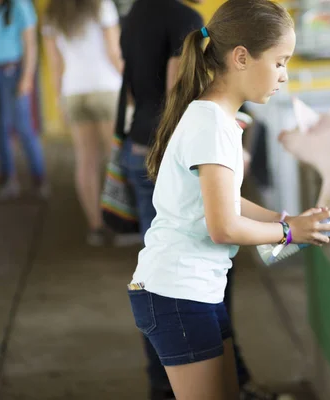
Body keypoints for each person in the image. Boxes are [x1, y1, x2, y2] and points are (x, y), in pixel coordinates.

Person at [126, 0, 330, 398]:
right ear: (241, 57)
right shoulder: (210, 122)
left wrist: (294, 221)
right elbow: (223, 225)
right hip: (177, 292)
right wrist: (285, 232)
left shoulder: (218, 118)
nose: (283, 75)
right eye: (279, 62)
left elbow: (226, 202)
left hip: (194, 289)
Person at [117, 0, 203, 398]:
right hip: (168, 156)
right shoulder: (186, 18)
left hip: (137, 147)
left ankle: (161, 383)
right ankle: (182, 384)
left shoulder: (135, 12)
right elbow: (179, 93)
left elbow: (134, 86)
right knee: (188, 280)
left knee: (155, 270)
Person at [42, 0, 123, 245]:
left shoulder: (52, 12)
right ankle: (120, 224)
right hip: (106, 88)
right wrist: (132, 86)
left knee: (86, 160)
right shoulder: (102, 5)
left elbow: (55, 64)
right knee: (115, 159)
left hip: (74, 92)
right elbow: (113, 53)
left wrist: (60, 100)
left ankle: (96, 227)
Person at [0, 0, 48, 200]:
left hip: (12, 74)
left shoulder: (19, 6)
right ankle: (7, 179)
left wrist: (26, 78)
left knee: (23, 127)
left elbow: (30, 43)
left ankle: (39, 178)